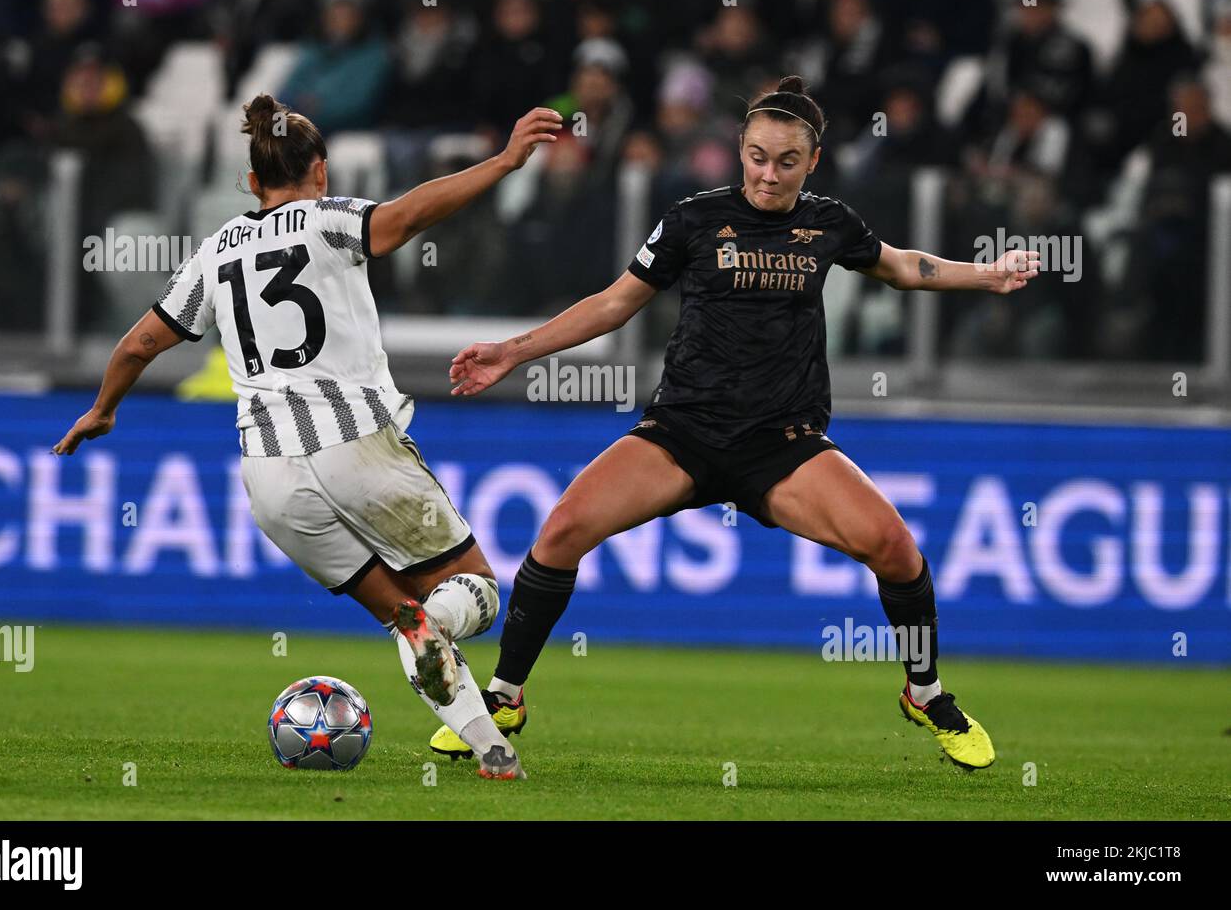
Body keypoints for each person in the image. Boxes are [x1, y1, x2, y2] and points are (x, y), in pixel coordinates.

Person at [438, 76, 1041, 771]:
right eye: (757, 156)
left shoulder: (829, 223)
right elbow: (612, 306)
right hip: (682, 433)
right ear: (740, 149)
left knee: (896, 549)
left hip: (780, 443)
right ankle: (505, 698)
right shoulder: (693, 219)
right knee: (561, 532)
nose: (768, 173)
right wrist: (512, 351)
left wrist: (986, 275)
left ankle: (925, 692)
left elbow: (905, 267)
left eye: (787, 161)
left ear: (812, 161)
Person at [53, 94, 562, 780]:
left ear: (253, 182)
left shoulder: (216, 250)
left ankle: (492, 749)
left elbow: (142, 342)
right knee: (473, 590)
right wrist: (503, 161)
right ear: (319, 170)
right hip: (355, 443)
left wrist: (103, 409)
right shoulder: (332, 219)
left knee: (401, 616)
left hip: (269, 478)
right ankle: (437, 634)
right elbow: (410, 214)